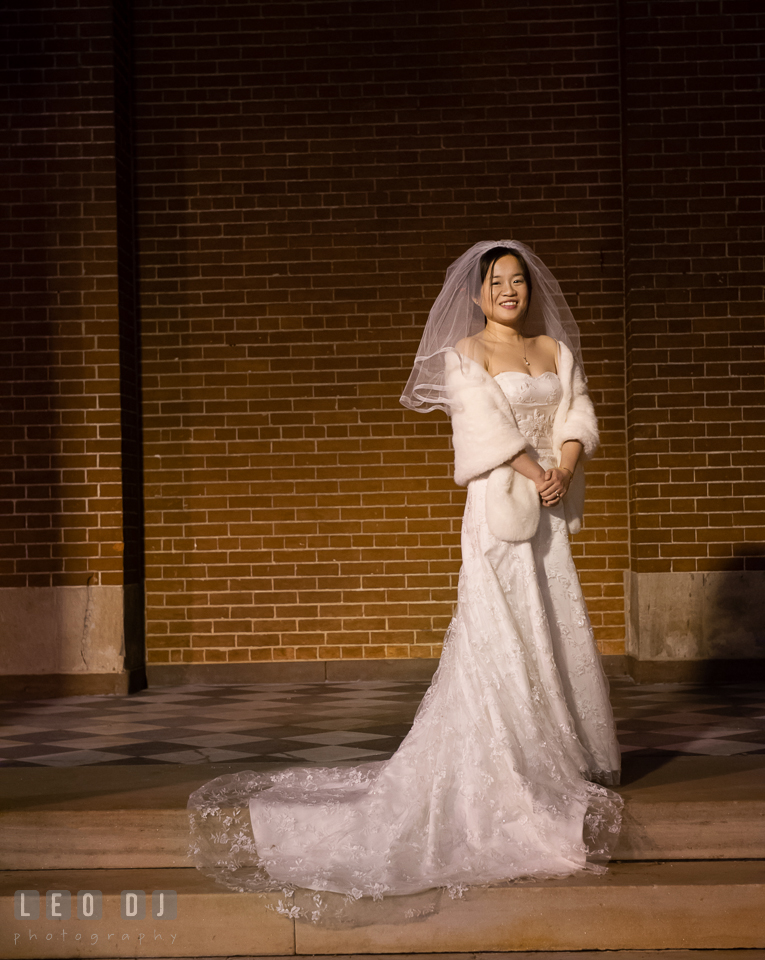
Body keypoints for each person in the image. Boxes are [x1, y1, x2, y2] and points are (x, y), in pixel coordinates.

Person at [188, 240, 623, 921]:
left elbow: (577, 411)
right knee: (499, 635)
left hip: (547, 514)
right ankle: (506, 761)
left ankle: (554, 756)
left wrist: (563, 466)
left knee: (551, 622)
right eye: (495, 282)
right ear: (476, 295)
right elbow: (483, 427)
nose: (508, 291)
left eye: (517, 281)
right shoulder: (464, 356)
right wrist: (538, 474)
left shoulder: (551, 350)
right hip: (501, 512)